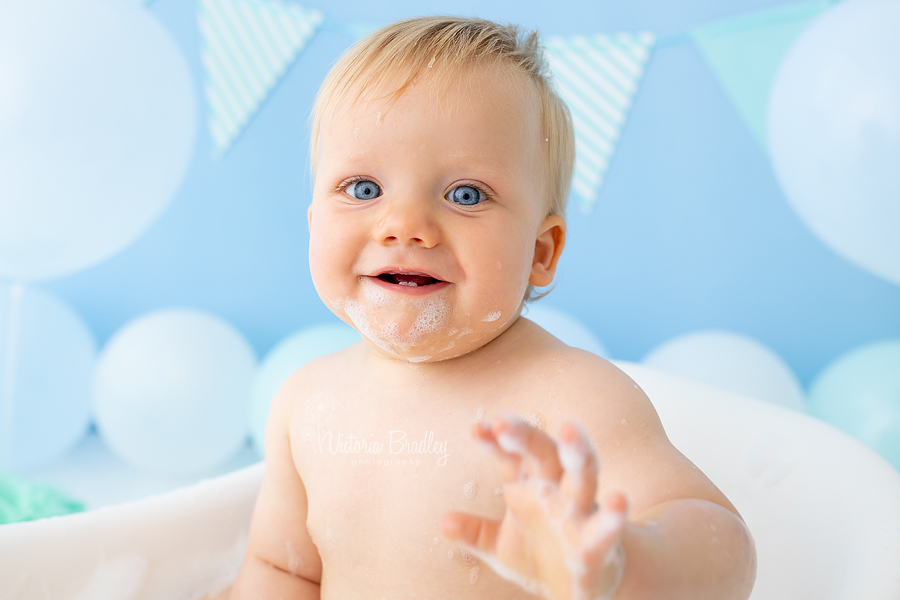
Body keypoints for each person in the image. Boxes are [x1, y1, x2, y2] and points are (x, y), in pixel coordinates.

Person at [226, 15, 756, 599]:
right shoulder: (306, 403)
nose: (404, 225)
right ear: (312, 223)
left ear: (539, 251)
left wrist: (622, 562)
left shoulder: (566, 400)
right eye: (364, 189)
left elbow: (722, 542)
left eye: (465, 194)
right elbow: (283, 570)